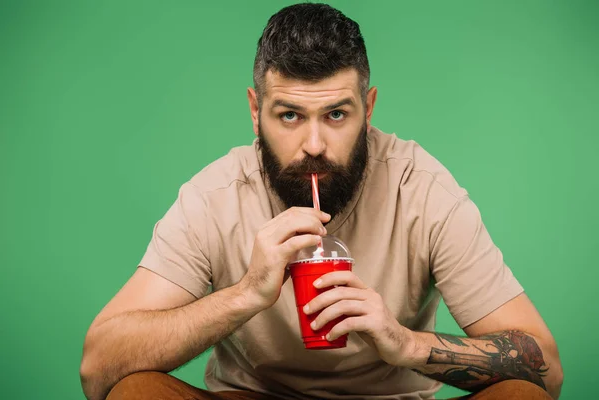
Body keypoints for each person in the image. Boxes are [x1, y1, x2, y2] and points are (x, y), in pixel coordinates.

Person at [80, 3, 563, 400]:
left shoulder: (422, 191)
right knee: (135, 392)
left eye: (336, 114)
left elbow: (546, 368)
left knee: (523, 397)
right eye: (289, 115)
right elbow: (98, 366)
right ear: (255, 111)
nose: (313, 144)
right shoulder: (215, 197)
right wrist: (246, 294)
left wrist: (404, 343)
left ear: (368, 108)